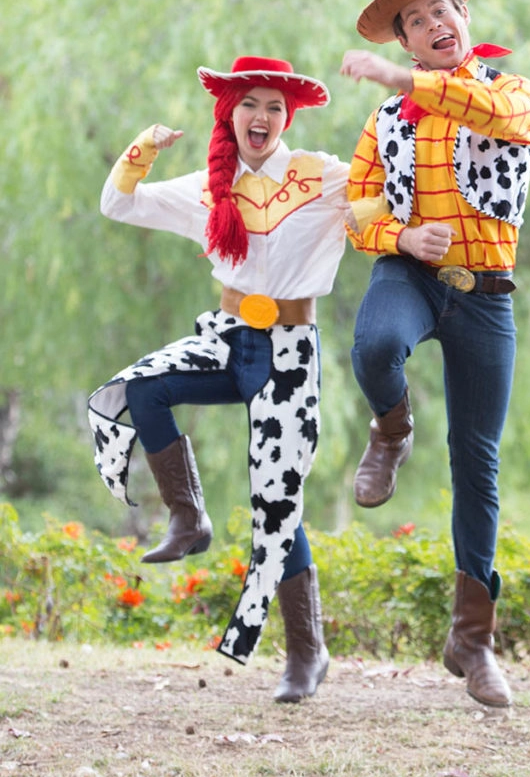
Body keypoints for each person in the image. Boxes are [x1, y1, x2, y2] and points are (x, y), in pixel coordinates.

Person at [87, 56, 367, 703]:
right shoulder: (208, 186)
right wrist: (144, 147)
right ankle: (188, 518)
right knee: (142, 387)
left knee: (277, 500)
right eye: (249, 104)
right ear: (230, 114)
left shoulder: (322, 174)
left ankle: (306, 652)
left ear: (287, 117)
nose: (261, 117)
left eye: (273, 106)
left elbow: (383, 198)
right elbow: (117, 203)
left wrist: (382, 213)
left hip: (289, 351)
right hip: (228, 339)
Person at [340, 0, 530, 708]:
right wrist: (400, 237)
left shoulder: (512, 93)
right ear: (406, 40)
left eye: (443, 10)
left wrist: (404, 82)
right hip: (413, 278)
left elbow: (494, 120)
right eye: (417, 19)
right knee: (374, 346)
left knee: (476, 461)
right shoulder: (385, 122)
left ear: (465, 19)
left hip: (485, 295)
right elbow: (358, 208)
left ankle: (473, 640)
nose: (435, 25)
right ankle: (390, 430)